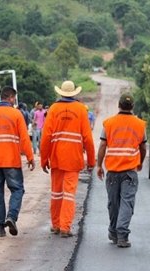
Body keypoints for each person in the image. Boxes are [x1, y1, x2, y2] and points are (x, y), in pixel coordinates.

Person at [0, 86, 35, 238]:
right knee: (17, 189)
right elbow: (24, 138)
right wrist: (30, 157)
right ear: (10, 98)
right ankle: (11, 216)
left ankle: (0, 227)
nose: (14, 101)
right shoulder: (16, 114)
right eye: (14, 99)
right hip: (11, 161)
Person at [40, 80, 95, 238]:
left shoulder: (53, 109)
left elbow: (46, 137)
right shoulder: (80, 109)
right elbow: (88, 139)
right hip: (73, 159)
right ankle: (65, 227)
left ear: (61, 93)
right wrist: (91, 161)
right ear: (75, 93)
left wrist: (44, 159)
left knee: (56, 193)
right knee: (68, 194)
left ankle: (56, 225)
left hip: (56, 157)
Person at [96, 93, 147, 248]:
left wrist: (99, 165)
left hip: (112, 171)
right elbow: (143, 147)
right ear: (132, 106)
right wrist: (140, 162)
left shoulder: (109, 123)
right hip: (129, 172)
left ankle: (113, 231)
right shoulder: (139, 124)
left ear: (119, 105)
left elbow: (103, 146)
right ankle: (122, 235)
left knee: (113, 203)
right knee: (127, 202)